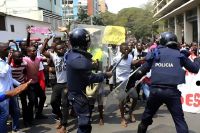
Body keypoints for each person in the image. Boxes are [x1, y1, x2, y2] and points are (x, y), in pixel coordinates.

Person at [135, 32, 200, 133]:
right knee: (179, 121)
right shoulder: (180, 55)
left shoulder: (154, 53)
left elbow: (141, 72)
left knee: (146, 119)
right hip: (172, 93)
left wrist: (134, 79)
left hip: (155, 92)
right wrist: (196, 59)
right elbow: (195, 69)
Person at [64, 28, 112, 133]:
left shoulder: (70, 54)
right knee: (84, 125)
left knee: (85, 125)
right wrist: (105, 75)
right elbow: (90, 78)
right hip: (79, 96)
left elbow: (71, 45)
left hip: (74, 93)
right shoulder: (80, 60)